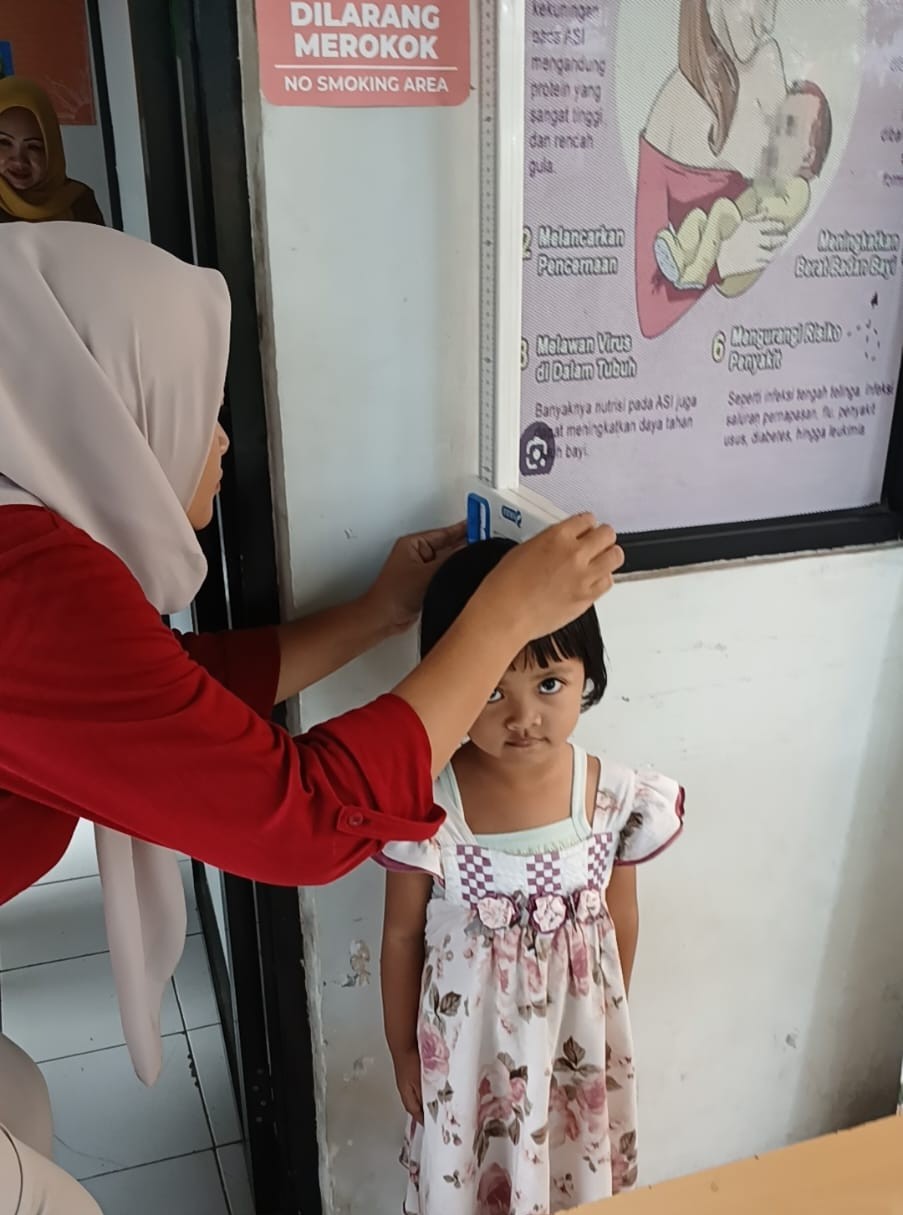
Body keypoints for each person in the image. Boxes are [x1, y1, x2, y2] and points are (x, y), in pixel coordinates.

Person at [0, 222, 624, 1213]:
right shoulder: (25, 579)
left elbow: (166, 691)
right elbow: (303, 817)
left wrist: (379, 613)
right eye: (202, 409)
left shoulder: (29, 556)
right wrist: (505, 613)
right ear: (106, 411)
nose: (220, 442)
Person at [379, 539, 684, 1214]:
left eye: (548, 684)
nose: (522, 718)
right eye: (491, 689)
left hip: (575, 1053)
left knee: (569, 1179)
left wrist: (608, 1020)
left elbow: (620, 917)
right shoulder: (428, 804)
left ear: (586, 672)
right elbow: (400, 936)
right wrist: (401, 1050)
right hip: (468, 1063)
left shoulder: (616, 798)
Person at [636, 0, 788, 338]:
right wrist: (723, 261)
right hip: (687, 352)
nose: (768, 21)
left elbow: (786, 191)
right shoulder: (669, 113)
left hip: (759, 337)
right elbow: (650, 308)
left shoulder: (769, 74)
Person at [654, 82, 832, 295]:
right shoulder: (771, 176)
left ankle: (697, 273)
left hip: (744, 259)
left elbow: (785, 211)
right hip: (733, 233)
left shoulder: (798, 187)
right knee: (698, 219)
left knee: (721, 210)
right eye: (777, 123)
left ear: (808, 156)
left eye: (789, 128)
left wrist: (764, 201)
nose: (776, 133)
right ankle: (679, 255)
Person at [0, 77, 105, 225]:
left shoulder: (77, 200)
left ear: (52, 150)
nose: (19, 160)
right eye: (4, 143)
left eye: (34, 147)